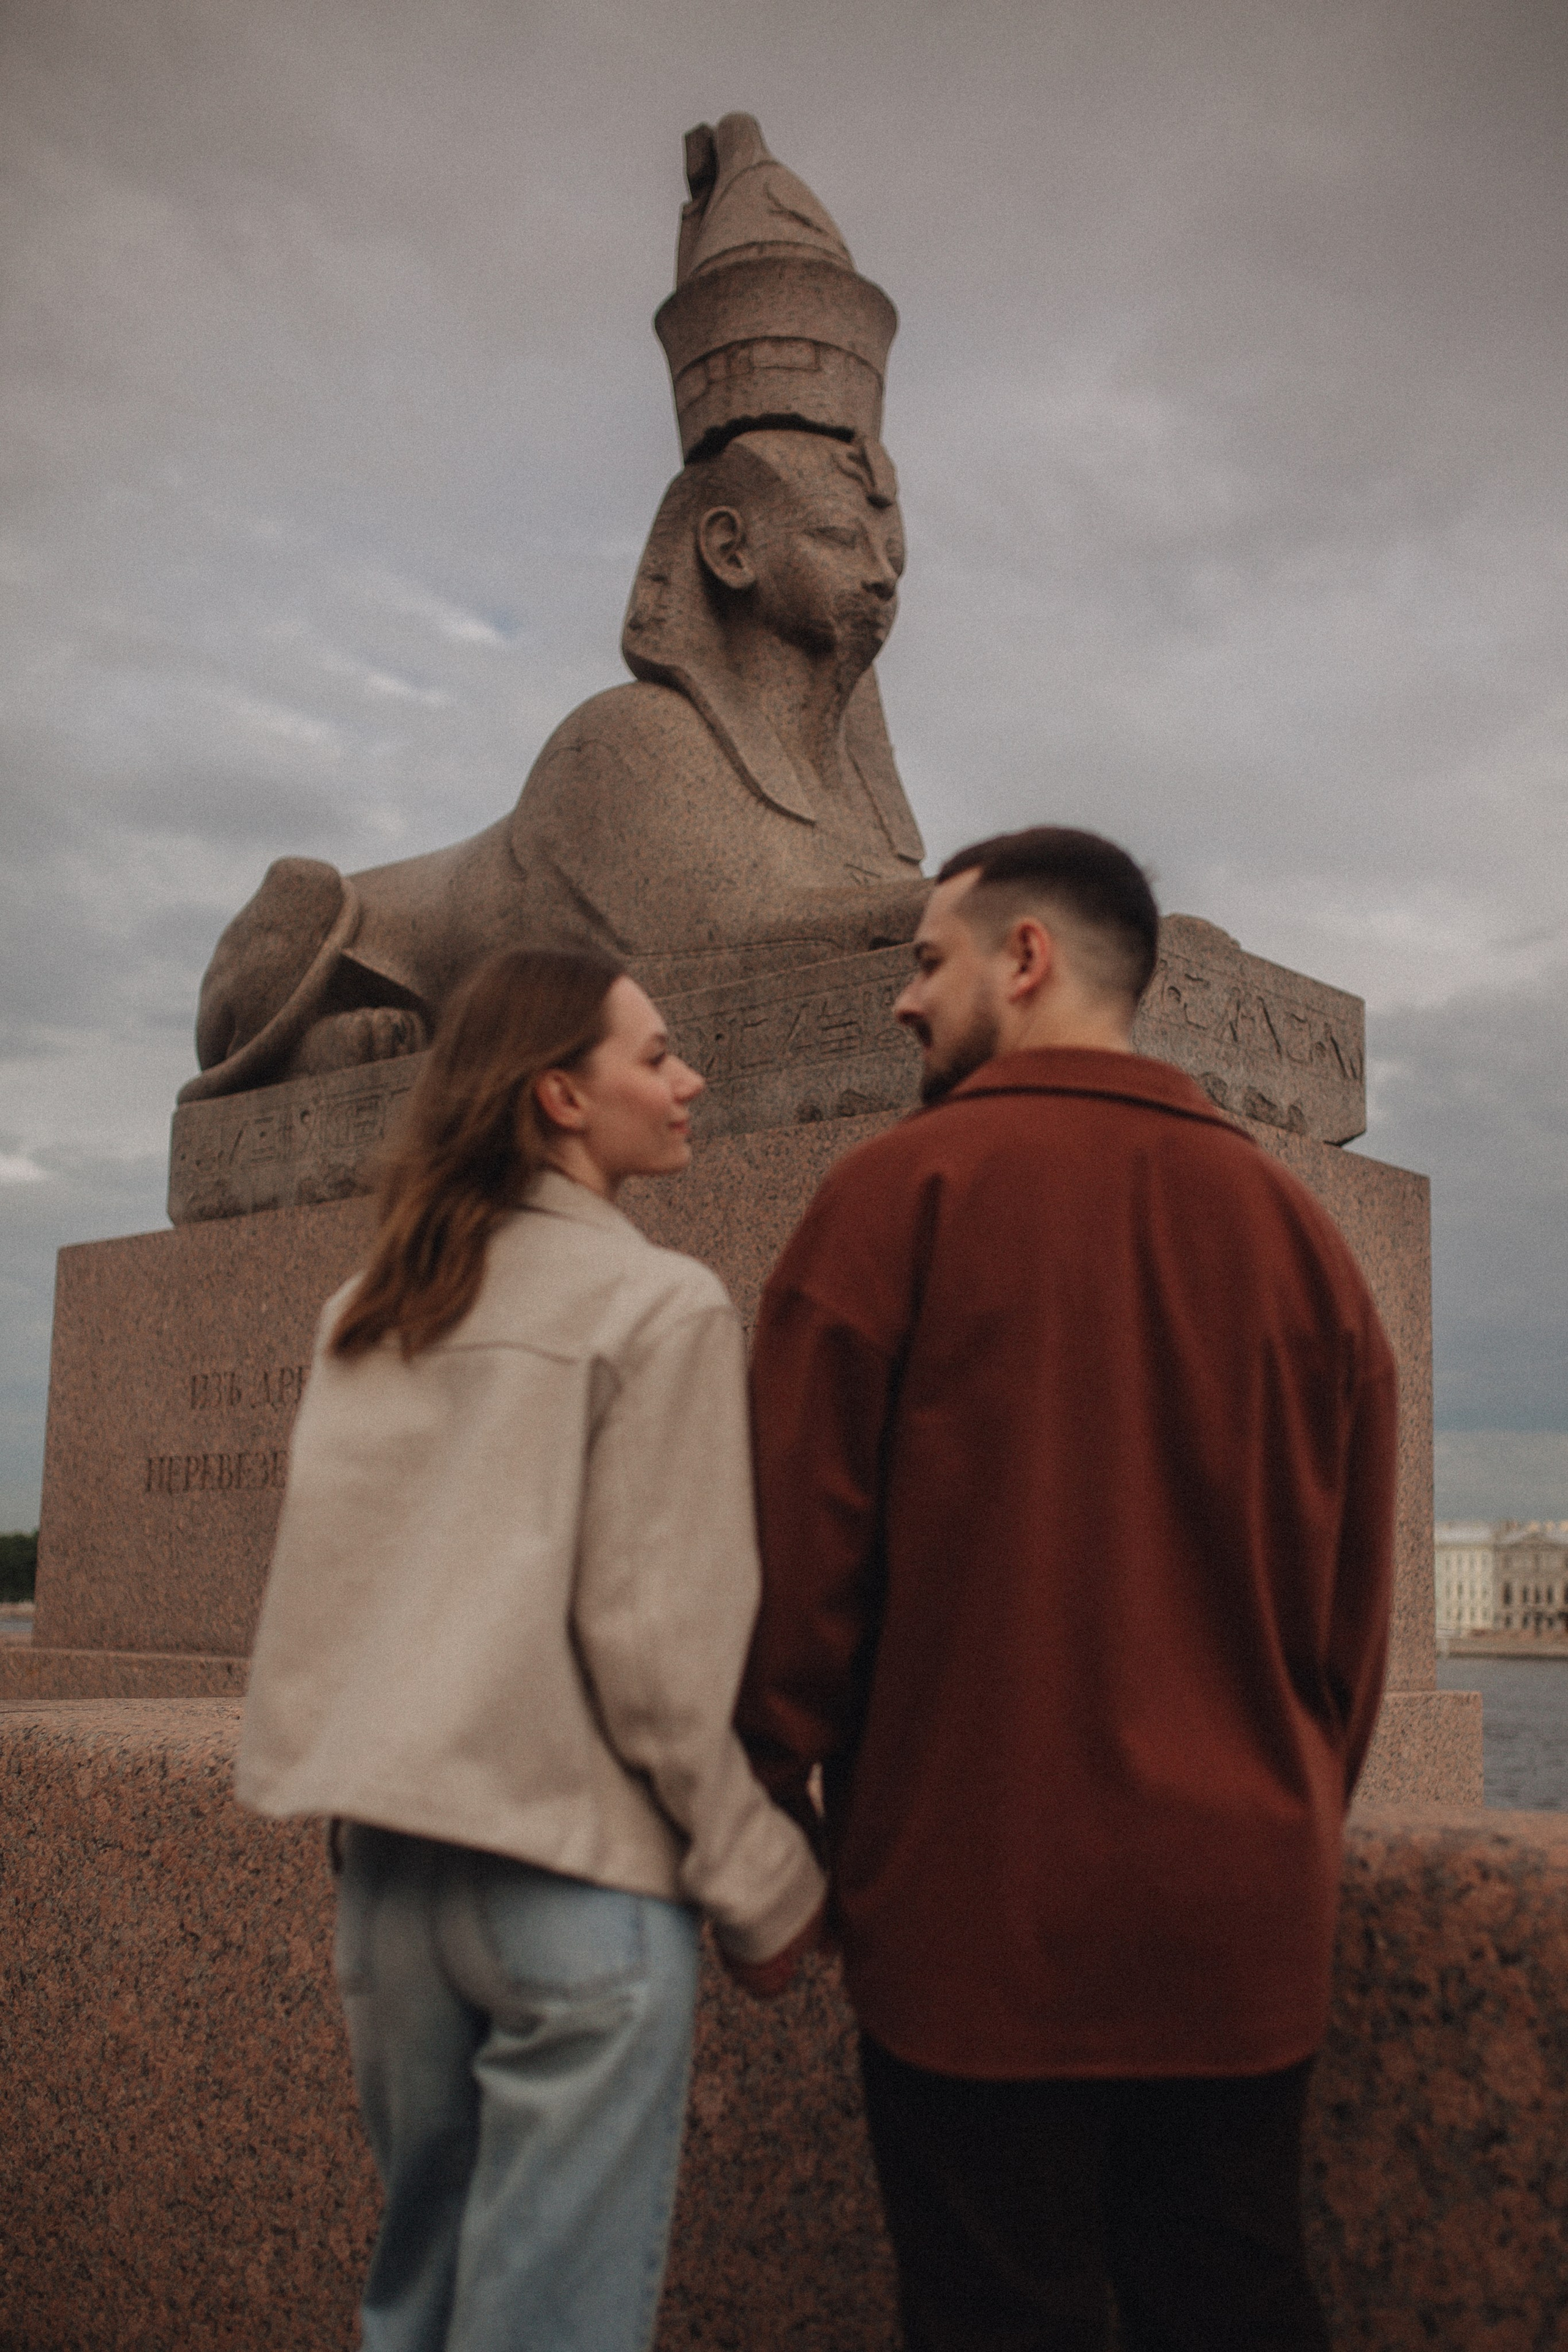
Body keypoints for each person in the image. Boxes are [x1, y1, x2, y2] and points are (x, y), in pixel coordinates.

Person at [736, 826, 1398, 2352]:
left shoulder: (894, 1197)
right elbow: (1350, 1627)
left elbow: (791, 1589)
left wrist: (769, 1832)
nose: (903, 1002)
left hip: (977, 1933)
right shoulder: (1302, 1239)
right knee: (1232, 2302)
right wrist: (1286, 1822)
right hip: (1240, 1934)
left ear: (1022, 960)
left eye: (923, 960)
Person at [236, 945, 824, 2352]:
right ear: (561, 1096)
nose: (689, 1082)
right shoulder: (656, 1303)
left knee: (418, 2305)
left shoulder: (367, 1306)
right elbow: (656, 1650)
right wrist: (761, 1883)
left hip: (386, 1880)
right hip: (577, 1877)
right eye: (656, 1056)